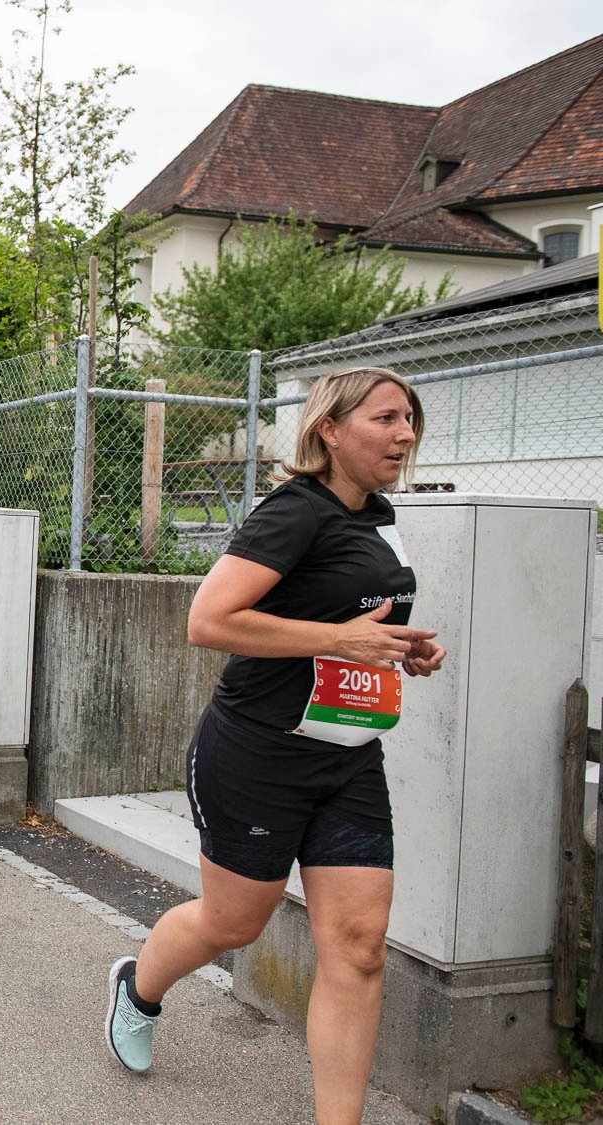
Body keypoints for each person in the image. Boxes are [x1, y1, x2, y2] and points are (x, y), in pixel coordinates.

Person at [103, 368, 446, 1125]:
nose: (405, 434)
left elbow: (356, 624)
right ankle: (139, 988)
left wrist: (402, 648)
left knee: (359, 945)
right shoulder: (295, 511)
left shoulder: (377, 515)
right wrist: (340, 639)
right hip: (258, 754)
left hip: (349, 755)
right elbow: (208, 620)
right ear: (331, 429)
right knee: (233, 924)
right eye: (386, 418)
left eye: (410, 419)